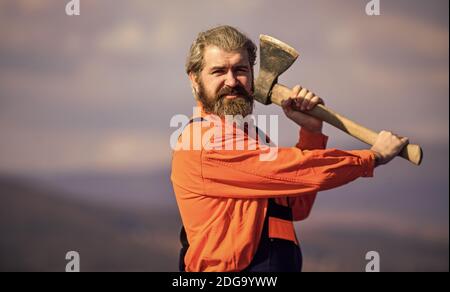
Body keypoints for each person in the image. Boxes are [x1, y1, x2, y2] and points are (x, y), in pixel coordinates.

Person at [171, 25, 409, 272]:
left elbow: (296, 207)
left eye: (240, 70)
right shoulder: (204, 142)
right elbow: (297, 169)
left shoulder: (252, 139)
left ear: (252, 76)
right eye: (219, 71)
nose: (232, 81)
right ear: (195, 79)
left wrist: (311, 132)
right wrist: (373, 157)